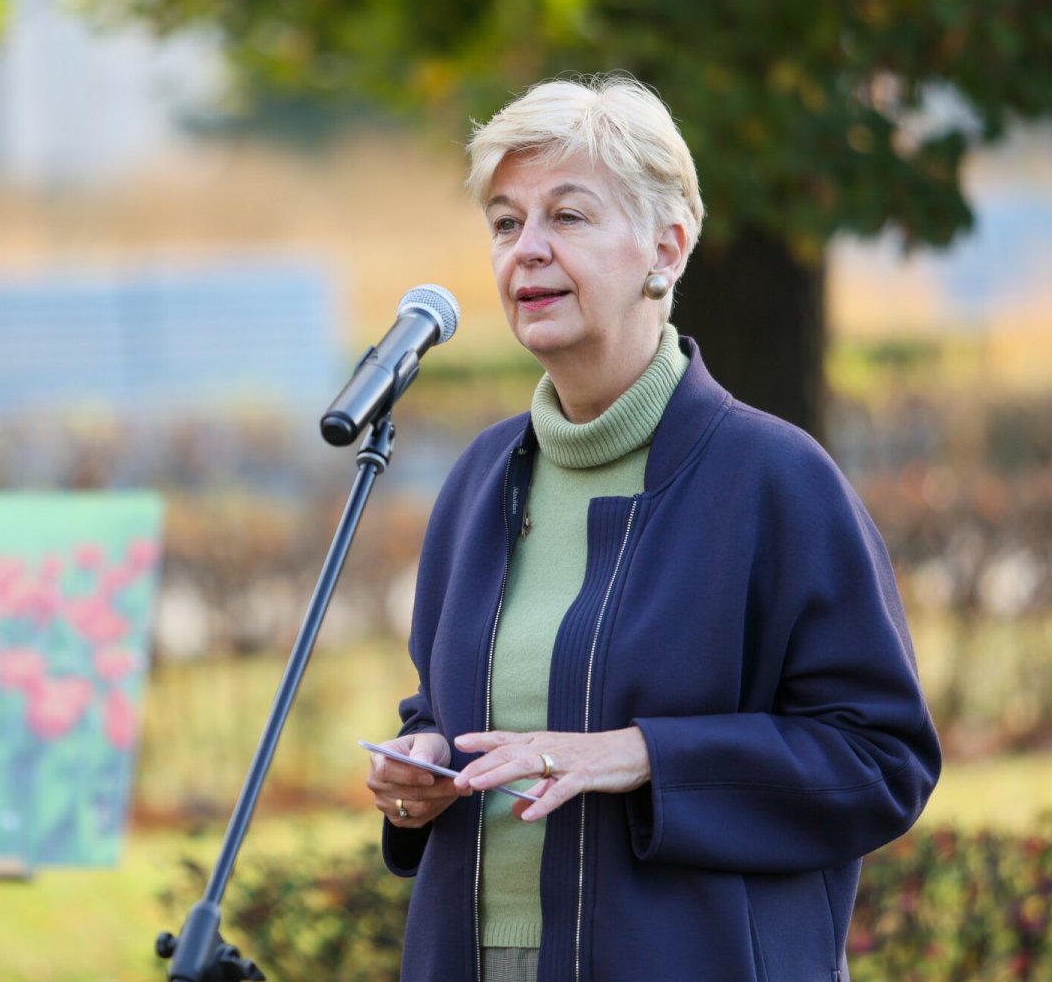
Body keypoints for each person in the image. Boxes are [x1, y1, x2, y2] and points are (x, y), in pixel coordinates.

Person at [364, 74, 940, 982]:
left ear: (665, 248)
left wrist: (640, 755)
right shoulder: (480, 480)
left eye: (570, 217)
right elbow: (450, 704)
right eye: (507, 223)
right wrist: (422, 761)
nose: (528, 251)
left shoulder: (775, 482)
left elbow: (880, 758)